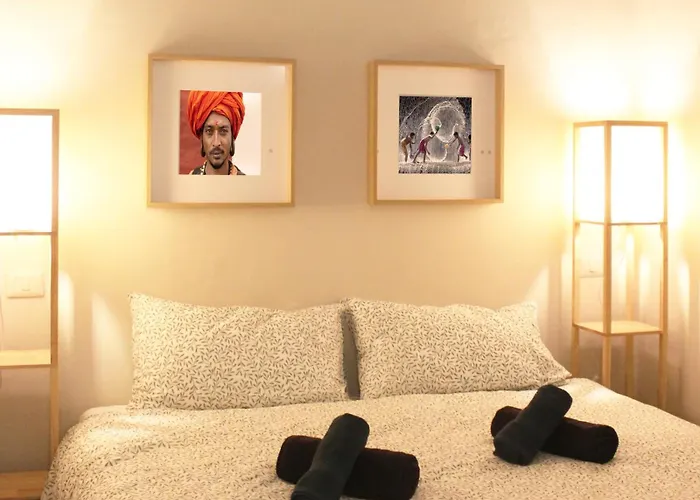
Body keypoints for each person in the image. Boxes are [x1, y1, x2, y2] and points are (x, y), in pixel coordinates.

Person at [186, 90, 247, 175]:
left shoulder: (246, 182)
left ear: (232, 136)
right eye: (209, 131)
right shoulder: (191, 179)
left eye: (223, 131)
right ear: (201, 138)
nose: (216, 142)